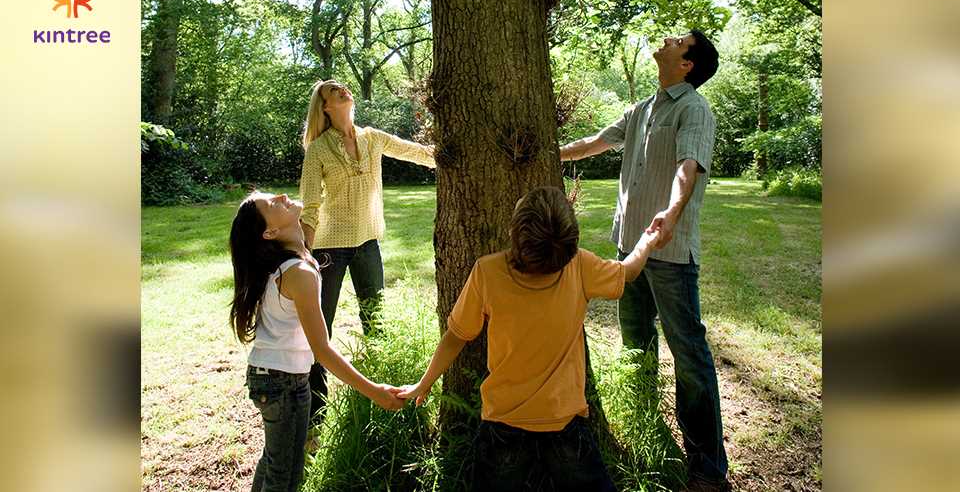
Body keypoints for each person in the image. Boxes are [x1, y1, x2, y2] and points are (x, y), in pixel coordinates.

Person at [397, 186, 662, 491]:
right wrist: (648, 240)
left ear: (514, 233)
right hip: (563, 420)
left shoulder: (488, 272)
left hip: (504, 422)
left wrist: (425, 383)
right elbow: (628, 271)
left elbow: (456, 336)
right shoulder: (579, 266)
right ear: (571, 243)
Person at [558, 31, 729, 491]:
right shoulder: (642, 108)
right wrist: (549, 152)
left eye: (679, 40)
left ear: (687, 64)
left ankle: (708, 469)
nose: (668, 39)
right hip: (628, 248)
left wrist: (670, 213)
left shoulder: (693, 108)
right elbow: (597, 142)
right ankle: (644, 424)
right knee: (635, 340)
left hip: (668, 251)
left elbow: (688, 166)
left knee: (689, 355)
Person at [229, 190, 403, 492]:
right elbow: (321, 349)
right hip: (281, 382)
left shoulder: (292, 262)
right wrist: (374, 391)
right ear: (270, 232)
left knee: (275, 464)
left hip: (276, 378)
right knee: (284, 475)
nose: (282, 195)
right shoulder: (297, 273)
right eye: (272, 204)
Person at [298, 79, 436, 424]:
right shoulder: (318, 149)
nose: (342, 90)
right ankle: (315, 412)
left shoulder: (372, 138)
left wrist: (447, 156)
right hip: (328, 249)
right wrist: (304, 253)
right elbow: (310, 205)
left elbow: (414, 152)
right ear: (325, 107)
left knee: (375, 320)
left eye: (343, 87)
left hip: (368, 243)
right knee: (321, 329)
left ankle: (382, 397)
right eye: (333, 91)